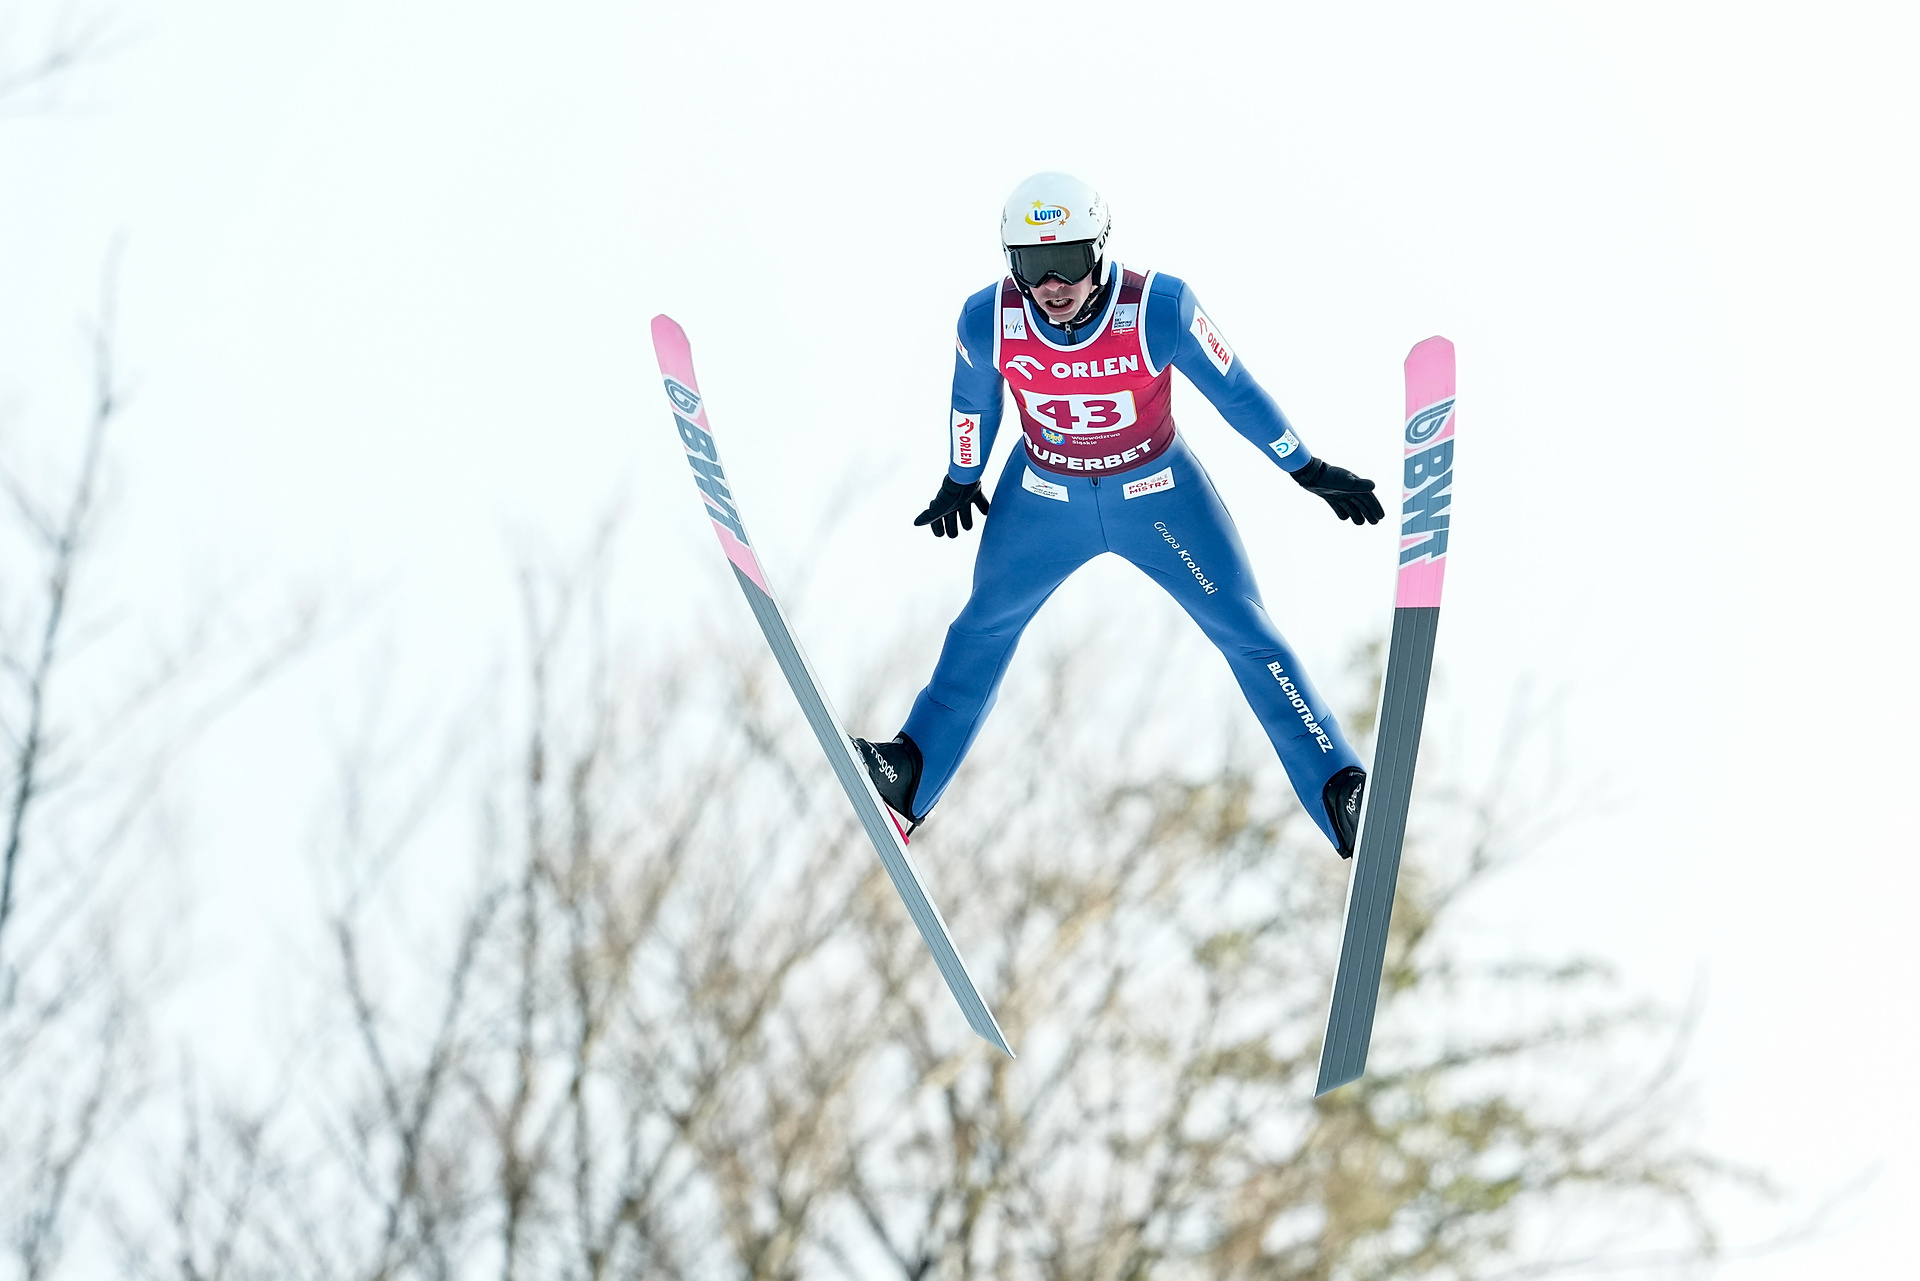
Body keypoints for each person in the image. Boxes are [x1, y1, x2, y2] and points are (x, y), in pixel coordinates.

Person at [855, 172, 1384, 857]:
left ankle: (1338, 783)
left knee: (1244, 628)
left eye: (1068, 260)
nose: (1052, 282)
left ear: (1100, 250)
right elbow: (973, 401)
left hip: (1161, 498)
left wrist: (1304, 466)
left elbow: (1236, 391)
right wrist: (962, 476)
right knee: (984, 623)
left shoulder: (1158, 308)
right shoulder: (987, 319)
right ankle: (911, 775)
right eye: (1031, 266)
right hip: (1045, 499)